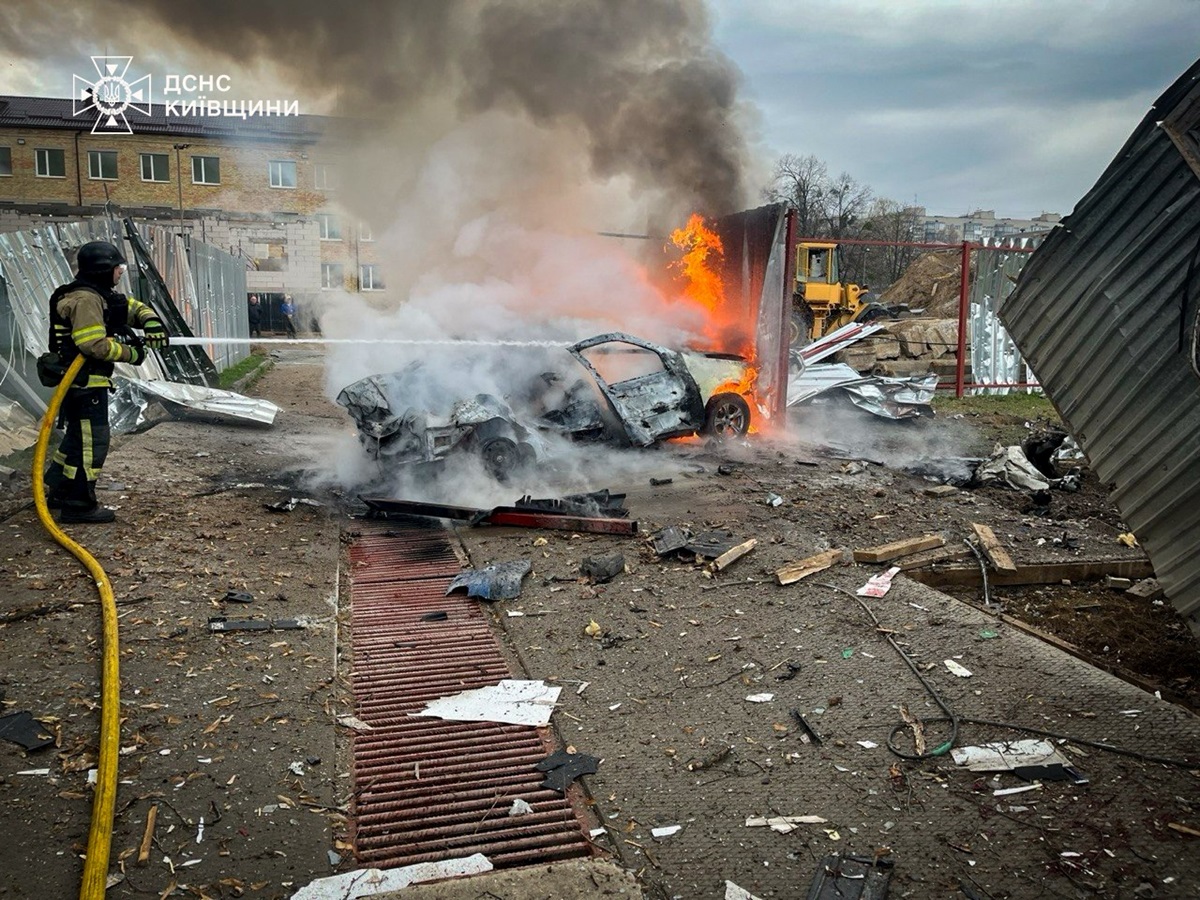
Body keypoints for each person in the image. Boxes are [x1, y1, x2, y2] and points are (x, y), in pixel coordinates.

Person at [43, 241, 169, 524]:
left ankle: (60, 491)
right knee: (94, 443)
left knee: (77, 439)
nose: (120, 272)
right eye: (117, 267)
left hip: (85, 383)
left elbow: (127, 306)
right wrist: (132, 353)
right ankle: (79, 504)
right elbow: (93, 345)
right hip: (84, 385)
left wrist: (151, 321)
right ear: (102, 269)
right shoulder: (86, 300)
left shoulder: (97, 294)